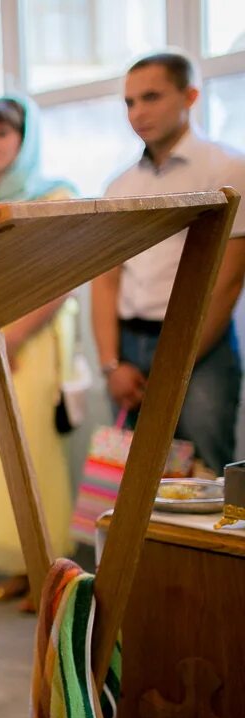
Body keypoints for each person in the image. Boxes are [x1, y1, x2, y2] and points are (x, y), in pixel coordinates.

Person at [0, 95, 78, 607]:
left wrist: (17, 335)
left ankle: (49, 571)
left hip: (34, 340)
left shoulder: (56, 195)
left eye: (3, 134)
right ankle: (12, 562)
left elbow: (65, 275)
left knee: (33, 452)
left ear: (25, 139)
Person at [96, 50, 245, 471]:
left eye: (151, 97)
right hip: (129, 347)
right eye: (129, 102)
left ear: (190, 96)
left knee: (206, 477)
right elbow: (106, 281)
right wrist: (111, 364)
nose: (138, 112)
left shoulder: (229, 169)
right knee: (135, 480)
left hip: (202, 344)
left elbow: (228, 281)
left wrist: (176, 360)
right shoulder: (120, 185)